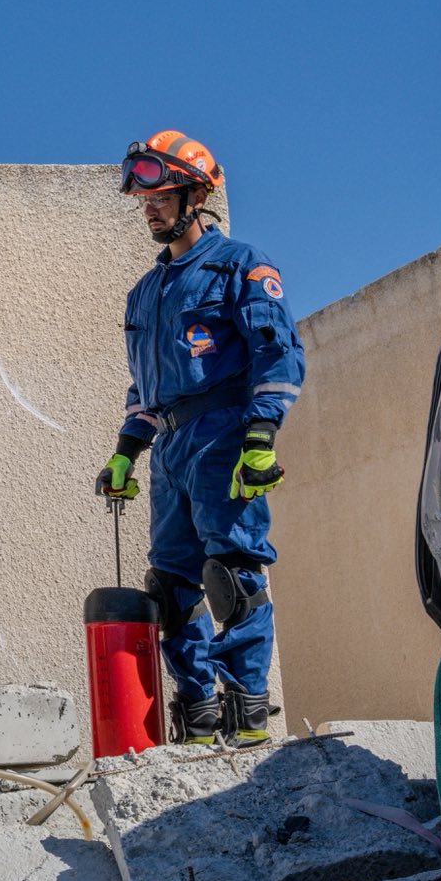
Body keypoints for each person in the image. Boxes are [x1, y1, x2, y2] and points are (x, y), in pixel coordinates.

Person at [97, 130, 304, 745]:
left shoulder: (240, 266)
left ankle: (247, 713)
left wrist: (262, 435)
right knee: (172, 585)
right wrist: (126, 451)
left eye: (160, 194)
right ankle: (198, 709)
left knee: (232, 572)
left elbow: (278, 354)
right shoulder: (146, 292)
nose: (149, 207)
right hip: (172, 447)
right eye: (143, 197)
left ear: (195, 194)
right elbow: (146, 387)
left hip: (226, 435)